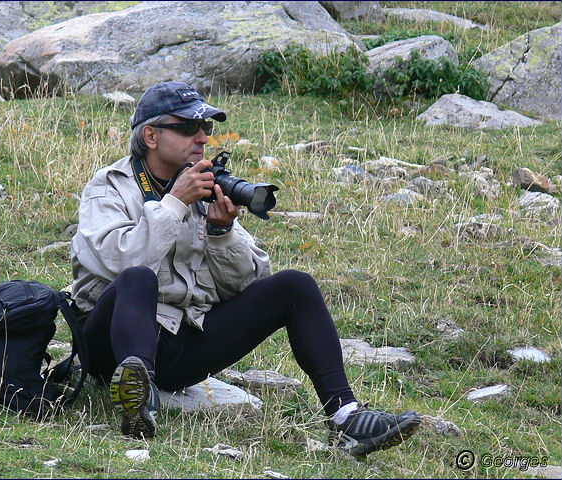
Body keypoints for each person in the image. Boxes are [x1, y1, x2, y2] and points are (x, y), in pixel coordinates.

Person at [70, 81, 421, 456]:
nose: (202, 138)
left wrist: (222, 233)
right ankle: (137, 398)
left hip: (180, 342)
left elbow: (249, 283)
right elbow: (121, 263)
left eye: (206, 128)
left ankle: (346, 417)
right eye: (189, 128)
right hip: (111, 345)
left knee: (294, 287)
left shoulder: (202, 185)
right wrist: (173, 204)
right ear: (151, 135)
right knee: (138, 277)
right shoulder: (110, 187)